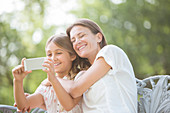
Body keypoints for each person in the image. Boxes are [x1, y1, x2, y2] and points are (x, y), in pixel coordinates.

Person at [56, 18, 138, 113]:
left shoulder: (110, 52)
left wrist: (54, 80)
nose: (77, 42)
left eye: (81, 35)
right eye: (73, 41)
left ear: (99, 37)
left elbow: (75, 90)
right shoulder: (82, 75)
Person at [12, 33, 88, 113]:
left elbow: (68, 106)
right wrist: (18, 81)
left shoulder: (80, 77)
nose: (53, 58)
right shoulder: (46, 86)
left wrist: (54, 80)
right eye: (49, 54)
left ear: (72, 56)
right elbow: (23, 106)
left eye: (58, 53)